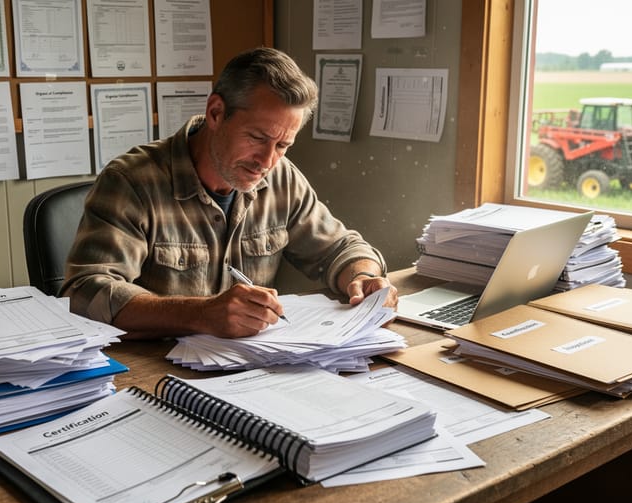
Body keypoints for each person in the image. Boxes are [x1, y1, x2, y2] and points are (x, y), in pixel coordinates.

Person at [60, 47, 398, 340]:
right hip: (153, 372)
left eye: (283, 145)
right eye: (257, 137)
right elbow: (87, 293)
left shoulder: (281, 179)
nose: (267, 161)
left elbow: (341, 248)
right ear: (216, 113)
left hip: (248, 368)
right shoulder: (131, 182)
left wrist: (363, 277)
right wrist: (200, 314)